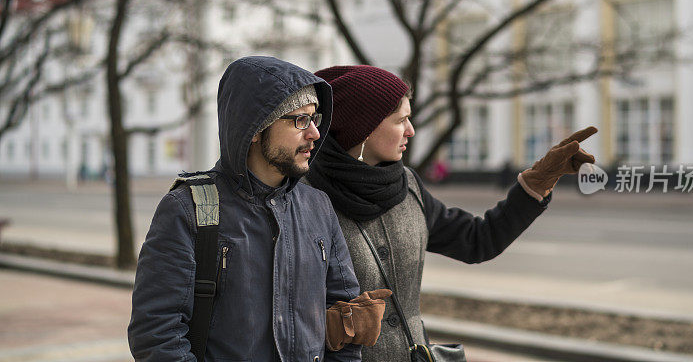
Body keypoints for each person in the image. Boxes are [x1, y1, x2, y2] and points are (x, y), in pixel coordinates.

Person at [306, 65, 597, 362]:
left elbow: (477, 240)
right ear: (363, 127)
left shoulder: (409, 187)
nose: (411, 130)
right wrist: (326, 327)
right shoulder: (302, 196)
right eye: (401, 120)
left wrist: (536, 184)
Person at [128, 56, 366, 361]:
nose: (314, 134)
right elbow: (156, 334)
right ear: (255, 128)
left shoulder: (317, 206)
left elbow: (345, 319)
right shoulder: (188, 209)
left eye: (314, 118)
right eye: (300, 120)